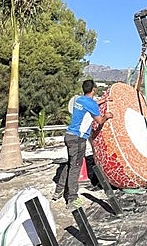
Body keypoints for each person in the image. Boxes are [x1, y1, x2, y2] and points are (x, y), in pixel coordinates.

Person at [53, 80, 112, 210]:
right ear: (94, 89)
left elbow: (90, 105)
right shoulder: (91, 104)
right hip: (78, 139)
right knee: (75, 167)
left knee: (70, 164)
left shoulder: (79, 100)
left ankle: (58, 190)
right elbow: (100, 120)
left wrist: (102, 101)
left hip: (69, 136)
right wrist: (107, 116)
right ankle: (72, 199)